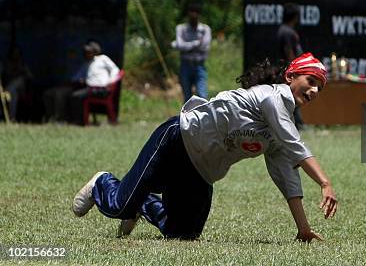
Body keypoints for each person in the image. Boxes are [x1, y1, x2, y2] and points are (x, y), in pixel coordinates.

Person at [72, 52, 338, 242]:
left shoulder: (281, 128)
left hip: (201, 172)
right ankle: (101, 182)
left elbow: (287, 177)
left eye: (320, 88)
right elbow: (295, 143)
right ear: (291, 76)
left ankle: (144, 204)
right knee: (119, 206)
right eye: (311, 81)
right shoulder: (272, 97)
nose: (314, 91)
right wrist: (324, 182)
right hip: (177, 141)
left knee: (183, 234)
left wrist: (303, 228)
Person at [68, 41, 120, 125]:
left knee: (76, 96)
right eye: (86, 52)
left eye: (89, 52)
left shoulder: (103, 59)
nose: (87, 54)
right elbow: (78, 77)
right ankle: (81, 119)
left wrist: (110, 82)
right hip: (90, 88)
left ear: (94, 51)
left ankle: (79, 121)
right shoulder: (87, 63)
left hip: (101, 89)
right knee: (75, 94)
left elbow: (115, 70)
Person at [174, 3, 212, 102]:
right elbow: (179, 45)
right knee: (187, 97)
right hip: (185, 65)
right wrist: (196, 44)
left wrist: (187, 46)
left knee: (202, 96)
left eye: (196, 13)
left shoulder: (205, 29)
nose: (194, 16)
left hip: (199, 66)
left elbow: (205, 47)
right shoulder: (181, 28)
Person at [277, 3, 305, 129]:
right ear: (295, 16)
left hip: (288, 70)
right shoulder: (287, 32)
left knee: (292, 97)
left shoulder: (284, 30)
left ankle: (296, 122)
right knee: (292, 97)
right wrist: (295, 69)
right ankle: (297, 123)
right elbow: (288, 51)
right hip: (289, 70)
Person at [0, 47, 33, 122]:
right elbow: (5, 76)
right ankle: (9, 118)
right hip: (7, 90)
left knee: (12, 89)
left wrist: (20, 70)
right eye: (14, 54)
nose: (15, 56)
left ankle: (11, 118)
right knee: (11, 92)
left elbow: (30, 77)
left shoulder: (23, 66)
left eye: (17, 54)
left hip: (21, 90)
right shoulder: (7, 65)